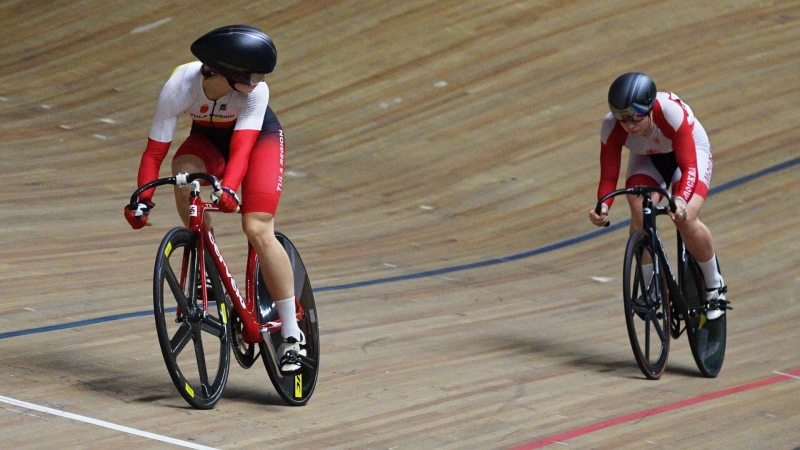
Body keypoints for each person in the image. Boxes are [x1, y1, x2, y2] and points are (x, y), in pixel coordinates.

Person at [124, 25, 306, 372]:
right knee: (183, 172)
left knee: (257, 228)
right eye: (251, 76)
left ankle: (292, 334)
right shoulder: (181, 85)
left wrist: (230, 190)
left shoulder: (256, 94)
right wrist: (142, 200)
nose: (258, 82)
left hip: (257, 141)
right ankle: (205, 253)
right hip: (206, 140)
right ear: (225, 72)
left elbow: (241, 150)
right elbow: (154, 153)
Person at [588, 72, 728, 319]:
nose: (629, 125)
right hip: (648, 158)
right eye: (623, 118)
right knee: (640, 214)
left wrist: (682, 201)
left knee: (685, 218)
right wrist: (604, 206)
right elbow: (609, 177)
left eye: (635, 117)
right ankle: (650, 287)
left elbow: (689, 167)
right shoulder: (611, 127)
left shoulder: (671, 112)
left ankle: (714, 284)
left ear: (650, 107)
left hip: (690, 154)